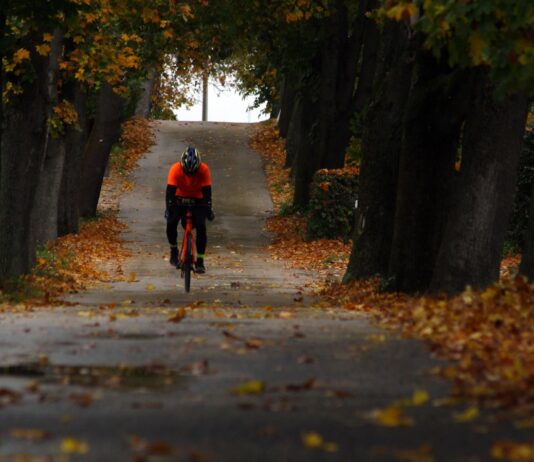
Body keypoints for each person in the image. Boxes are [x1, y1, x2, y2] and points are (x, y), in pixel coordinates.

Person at [165, 146, 214, 273]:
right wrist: (169, 208)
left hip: (198, 199)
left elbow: (207, 192)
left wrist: (208, 208)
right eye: (188, 173)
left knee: (201, 226)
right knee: (171, 223)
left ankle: (200, 261)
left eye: (193, 173)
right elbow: (170, 192)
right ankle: (174, 250)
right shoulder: (175, 169)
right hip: (179, 199)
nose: (190, 176)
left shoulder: (204, 169)